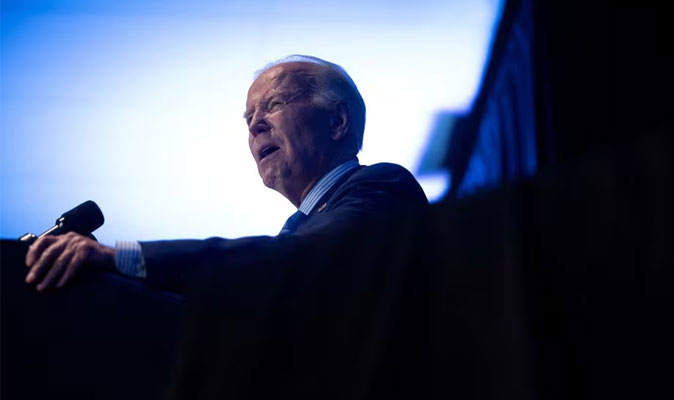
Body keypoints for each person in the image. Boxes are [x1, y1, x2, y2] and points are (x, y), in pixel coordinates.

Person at [25, 55, 428, 294]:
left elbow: (292, 262)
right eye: (249, 119)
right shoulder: (302, 225)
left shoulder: (382, 187)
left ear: (337, 121)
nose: (255, 128)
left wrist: (123, 258)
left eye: (273, 105)